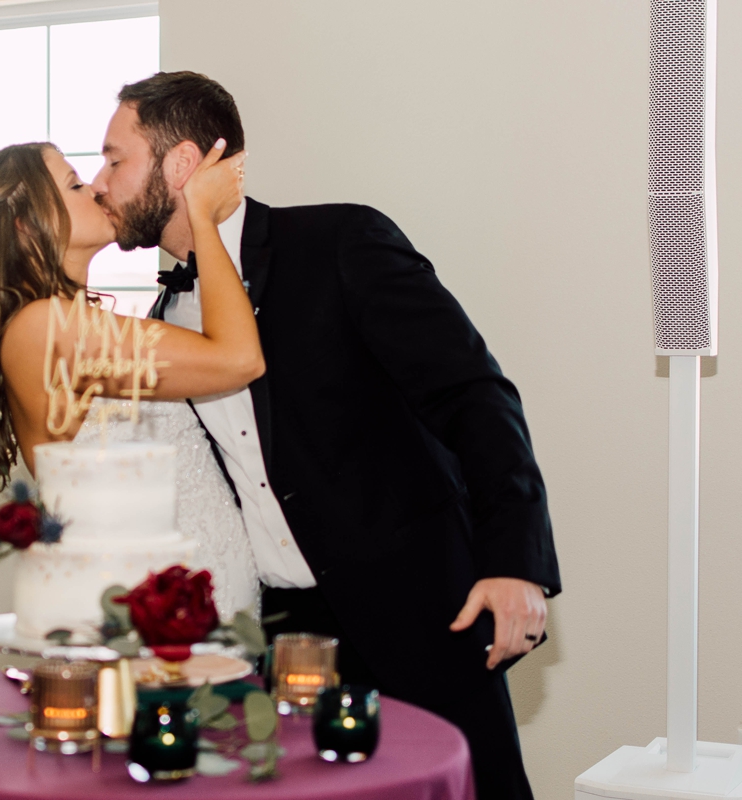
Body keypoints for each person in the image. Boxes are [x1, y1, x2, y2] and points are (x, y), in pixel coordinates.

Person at [90, 71, 561, 800]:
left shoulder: (340, 242)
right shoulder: (162, 314)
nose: (102, 181)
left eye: (115, 158)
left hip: (418, 617)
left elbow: (475, 395)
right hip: (281, 641)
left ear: (181, 165)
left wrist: (516, 563)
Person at [0, 140, 260, 620]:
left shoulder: (66, 323)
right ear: (25, 224)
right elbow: (237, 359)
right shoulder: (45, 329)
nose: (97, 189)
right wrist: (202, 216)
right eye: (75, 184)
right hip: (142, 617)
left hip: (195, 609)